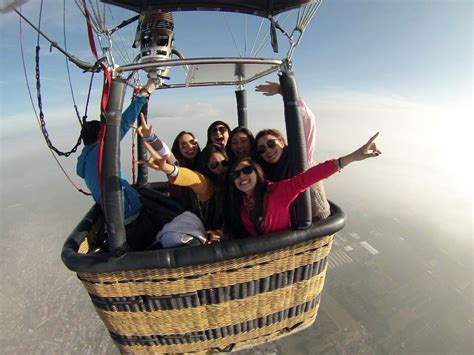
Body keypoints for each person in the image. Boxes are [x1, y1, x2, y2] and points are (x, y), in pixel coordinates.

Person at [227, 133, 381, 236]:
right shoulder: (241, 203)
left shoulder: (277, 192)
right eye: (236, 174)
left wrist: (352, 157)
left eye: (247, 170)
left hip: (285, 255)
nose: (242, 176)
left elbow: (311, 175)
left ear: (257, 173)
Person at [77, 83, 158, 251]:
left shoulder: (84, 162)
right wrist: (145, 93)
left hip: (116, 222)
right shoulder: (102, 150)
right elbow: (124, 122)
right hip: (130, 216)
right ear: (101, 134)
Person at [255, 81, 331, 221]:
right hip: (289, 226)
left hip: (316, 221)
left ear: (282, 143)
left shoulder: (299, 155)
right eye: (262, 149)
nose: (268, 150)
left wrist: (284, 91)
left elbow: (307, 119)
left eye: (271, 144)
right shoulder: (265, 174)